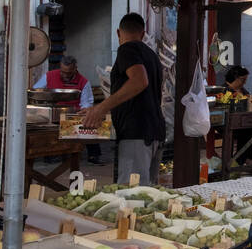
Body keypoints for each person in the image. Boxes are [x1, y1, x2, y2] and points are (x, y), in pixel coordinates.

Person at [80, 13, 164, 184]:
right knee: (149, 196)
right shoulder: (151, 55)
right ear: (143, 33)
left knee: (133, 197)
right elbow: (138, 96)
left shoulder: (128, 49)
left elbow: (139, 81)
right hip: (155, 132)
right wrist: (99, 110)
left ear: (118, 33)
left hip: (137, 134)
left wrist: (101, 109)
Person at [34, 54, 100, 164]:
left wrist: (83, 112)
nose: (65, 75)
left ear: (75, 69)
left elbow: (86, 103)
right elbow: (37, 91)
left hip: (73, 113)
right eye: (63, 72)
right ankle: (51, 153)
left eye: (68, 73)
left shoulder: (83, 82)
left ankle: (94, 155)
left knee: (89, 123)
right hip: (53, 112)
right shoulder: (49, 76)